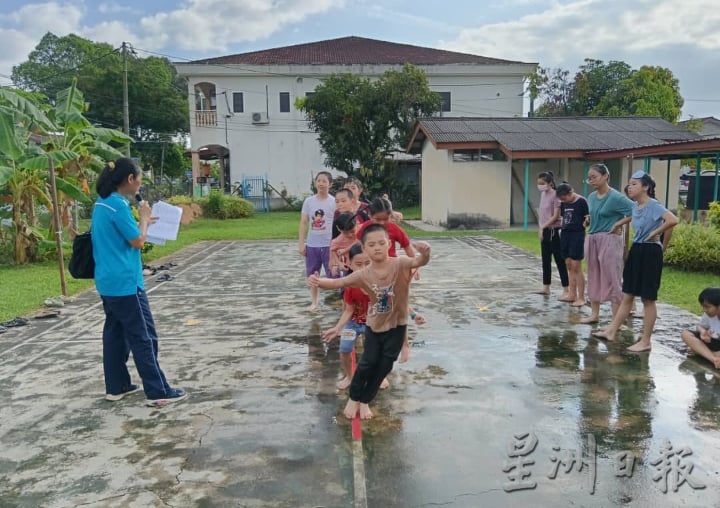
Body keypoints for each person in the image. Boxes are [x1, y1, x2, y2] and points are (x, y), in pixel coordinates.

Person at [309, 224, 431, 420]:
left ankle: (364, 400)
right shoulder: (363, 274)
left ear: (389, 244)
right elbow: (338, 283)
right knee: (367, 363)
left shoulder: (400, 263)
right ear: (364, 248)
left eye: (382, 243)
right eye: (372, 244)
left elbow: (420, 261)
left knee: (385, 366)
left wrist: (426, 253)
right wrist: (318, 282)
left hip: (398, 327)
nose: (377, 247)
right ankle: (354, 397)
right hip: (374, 328)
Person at [92, 157, 187, 407]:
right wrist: (144, 219)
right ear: (130, 180)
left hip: (107, 281)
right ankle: (158, 390)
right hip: (126, 283)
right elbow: (138, 242)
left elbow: (121, 235)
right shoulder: (119, 206)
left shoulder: (102, 204)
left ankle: (117, 385)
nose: (139, 187)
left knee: (114, 334)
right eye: (139, 181)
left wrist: (141, 223)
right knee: (143, 336)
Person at [592, 171, 679, 352]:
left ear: (645, 187)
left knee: (648, 298)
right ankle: (611, 331)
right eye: (629, 184)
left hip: (650, 251)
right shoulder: (637, 205)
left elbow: (672, 220)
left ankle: (645, 341)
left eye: (634, 184)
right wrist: (618, 223)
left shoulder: (654, 205)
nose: (629, 187)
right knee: (628, 294)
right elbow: (633, 215)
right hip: (637, 249)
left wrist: (656, 234)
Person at [581, 164, 634, 324]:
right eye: (589, 178)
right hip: (593, 238)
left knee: (613, 277)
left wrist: (619, 224)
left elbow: (635, 210)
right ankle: (594, 314)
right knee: (593, 275)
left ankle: (616, 319)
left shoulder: (616, 197)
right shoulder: (591, 197)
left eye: (594, 177)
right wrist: (588, 220)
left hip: (610, 239)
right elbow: (593, 214)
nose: (591, 181)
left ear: (605, 176)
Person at [322, 243, 371, 389]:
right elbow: (348, 310)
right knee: (344, 349)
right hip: (354, 323)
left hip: (373, 324)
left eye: (367, 263)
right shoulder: (350, 286)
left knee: (375, 352)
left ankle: (378, 376)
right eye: (358, 264)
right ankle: (349, 376)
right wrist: (338, 328)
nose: (363, 268)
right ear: (349, 264)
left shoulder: (379, 282)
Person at [299, 171, 336, 311]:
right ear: (315, 183)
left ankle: (340, 301)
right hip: (312, 245)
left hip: (329, 245)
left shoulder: (333, 202)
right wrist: (302, 243)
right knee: (313, 274)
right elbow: (303, 222)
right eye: (318, 180)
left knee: (334, 275)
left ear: (330, 184)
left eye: (324, 181)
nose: (321, 183)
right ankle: (314, 302)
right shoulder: (309, 201)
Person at [535, 171, 569, 298]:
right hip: (545, 230)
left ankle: (566, 289)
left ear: (550, 183)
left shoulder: (556, 195)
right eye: (538, 183)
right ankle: (546, 287)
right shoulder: (543, 194)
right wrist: (541, 228)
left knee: (559, 260)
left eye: (542, 183)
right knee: (545, 259)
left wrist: (543, 226)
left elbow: (556, 216)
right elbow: (542, 213)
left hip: (554, 230)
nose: (540, 186)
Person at [556, 183, 589, 307]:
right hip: (565, 234)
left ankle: (581, 297)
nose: (563, 201)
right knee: (568, 264)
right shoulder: (564, 203)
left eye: (564, 198)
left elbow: (587, 218)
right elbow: (564, 217)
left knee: (576, 265)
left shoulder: (582, 202)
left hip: (577, 235)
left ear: (570, 193)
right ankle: (572, 294)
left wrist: (586, 222)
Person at [681, 288, 720, 369]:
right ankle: (713, 359)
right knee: (685, 334)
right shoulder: (709, 314)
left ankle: (701, 352)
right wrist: (703, 332)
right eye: (703, 306)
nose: (704, 310)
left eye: (707, 307)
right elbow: (700, 326)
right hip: (711, 341)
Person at [330, 212, 357, 276]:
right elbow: (332, 250)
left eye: (352, 231)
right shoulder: (338, 240)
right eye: (345, 233)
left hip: (366, 264)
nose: (350, 235)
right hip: (350, 267)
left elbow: (360, 242)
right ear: (339, 229)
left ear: (357, 224)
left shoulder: (361, 231)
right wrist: (338, 263)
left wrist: (345, 250)